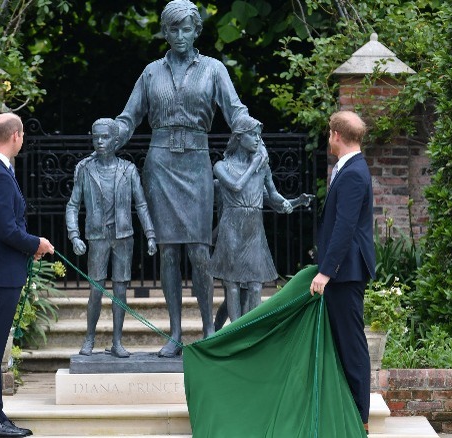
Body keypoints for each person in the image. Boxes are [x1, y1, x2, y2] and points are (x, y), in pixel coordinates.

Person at [113, 0, 252, 357]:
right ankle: (175, 333)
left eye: (185, 28)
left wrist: (251, 130)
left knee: (200, 251)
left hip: (196, 163)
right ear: (165, 31)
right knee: (169, 252)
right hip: (160, 165)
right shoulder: (150, 73)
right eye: (172, 29)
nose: (178, 35)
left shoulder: (214, 69)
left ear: (196, 31)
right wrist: (113, 132)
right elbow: (129, 117)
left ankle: (208, 329)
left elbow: (235, 110)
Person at [0, 112, 54, 438]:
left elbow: (0, 227)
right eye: (22, 137)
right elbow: (6, 229)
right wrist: (38, 243)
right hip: (1, 273)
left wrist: (27, 246)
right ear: (15, 135)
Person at [65, 118, 158, 358]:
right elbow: (73, 205)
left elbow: (142, 204)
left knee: (120, 291)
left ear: (116, 140)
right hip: (97, 237)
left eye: (105, 137)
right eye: (96, 137)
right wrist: (74, 236)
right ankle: (90, 338)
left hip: (123, 237)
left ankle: (117, 342)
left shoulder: (128, 170)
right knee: (95, 290)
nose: (100, 142)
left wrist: (150, 234)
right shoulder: (85, 169)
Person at [309, 110, 376, 432]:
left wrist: (326, 271)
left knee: (351, 345)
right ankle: (347, 412)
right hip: (343, 270)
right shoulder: (349, 168)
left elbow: (345, 227)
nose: (328, 139)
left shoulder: (353, 173)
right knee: (344, 342)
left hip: (346, 272)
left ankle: (359, 420)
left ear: (336, 135)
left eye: (328, 134)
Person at [209, 116, 312, 323]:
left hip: (253, 227)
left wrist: (294, 202)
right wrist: (255, 164)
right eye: (252, 134)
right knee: (232, 284)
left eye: (259, 135)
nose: (257, 140)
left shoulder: (262, 168)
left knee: (255, 284)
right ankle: (234, 332)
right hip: (231, 225)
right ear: (238, 137)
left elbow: (273, 197)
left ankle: (250, 330)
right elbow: (236, 187)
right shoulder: (221, 166)